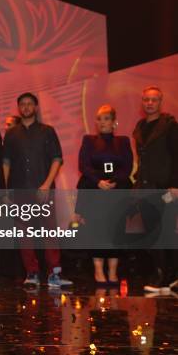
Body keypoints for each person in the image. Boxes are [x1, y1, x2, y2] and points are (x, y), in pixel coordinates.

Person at [3, 92, 73, 289]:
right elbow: (6, 163)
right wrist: (7, 191)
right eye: (22, 104)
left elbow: (57, 159)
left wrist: (46, 184)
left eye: (29, 104)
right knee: (24, 234)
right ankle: (31, 273)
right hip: (19, 191)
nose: (26, 107)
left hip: (44, 191)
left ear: (36, 107)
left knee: (49, 232)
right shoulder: (11, 133)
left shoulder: (47, 131)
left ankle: (54, 274)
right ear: (19, 108)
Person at [76, 105, 133, 285]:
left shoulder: (123, 141)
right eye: (99, 119)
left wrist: (114, 181)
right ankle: (99, 271)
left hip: (117, 192)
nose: (103, 122)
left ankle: (113, 271)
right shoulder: (89, 140)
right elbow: (83, 165)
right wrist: (98, 182)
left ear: (114, 122)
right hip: (94, 191)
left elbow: (127, 166)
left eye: (106, 118)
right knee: (97, 231)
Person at [132, 86, 178, 293]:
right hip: (145, 187)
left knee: (165, 231)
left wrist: (176, 184)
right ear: (142, 102)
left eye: (154, 100)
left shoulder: (170, 126)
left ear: (160, 102)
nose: (150, 103)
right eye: (146, 100)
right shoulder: (140, 127)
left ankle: (165, 276)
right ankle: (166, 275)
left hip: (165, 187)